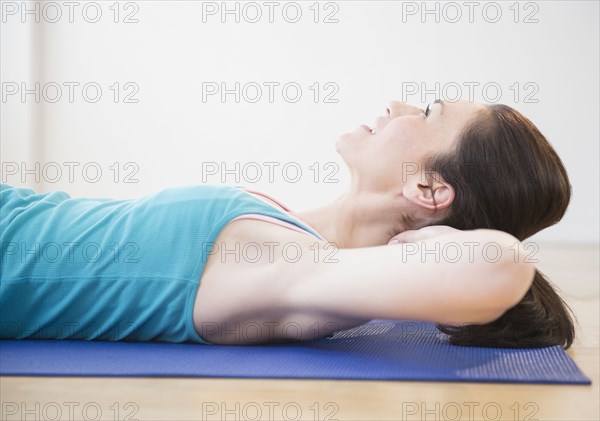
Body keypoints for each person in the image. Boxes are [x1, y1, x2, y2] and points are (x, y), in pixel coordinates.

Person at [0, 99, 575, 348]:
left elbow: (499, 264)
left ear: (427, 189)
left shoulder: (293, 268)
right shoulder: (288, 230)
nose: (397, 106)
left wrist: (431, 240)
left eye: (428, 113)